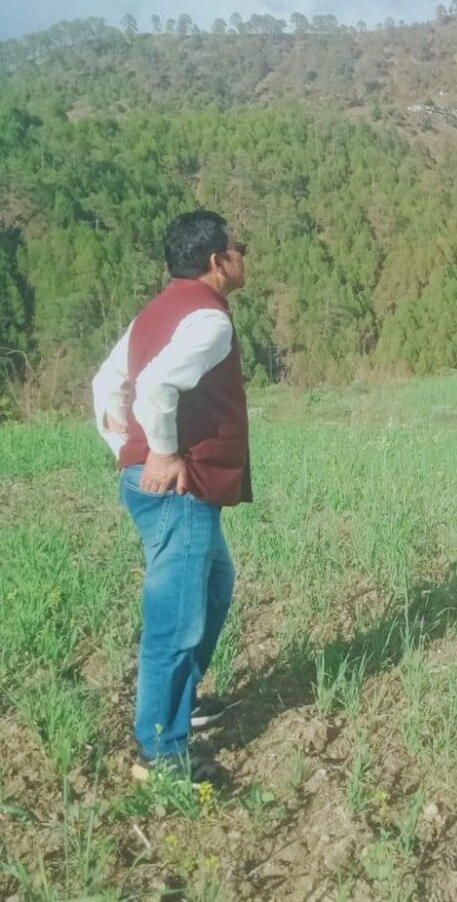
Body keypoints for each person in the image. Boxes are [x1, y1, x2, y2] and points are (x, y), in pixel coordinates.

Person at [92, 210, 251, 777]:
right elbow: (156, 385)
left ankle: (182, 702)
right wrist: (158, 452)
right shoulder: (210, 321)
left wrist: (124, 448)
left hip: (164, 485)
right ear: (217, 261)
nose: (244, 257)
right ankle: (161, 752)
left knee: (215, 585)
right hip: (179, 488)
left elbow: (106, 384)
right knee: (177, 619)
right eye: (239, 248)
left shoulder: (154, 313)